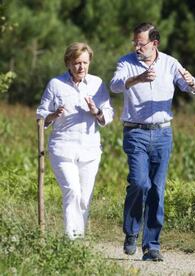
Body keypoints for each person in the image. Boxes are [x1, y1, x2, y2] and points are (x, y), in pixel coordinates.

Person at [110, 22, 195, 261]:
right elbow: (115, 85)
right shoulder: (126, 62)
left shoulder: (170, 63)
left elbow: (194, 87)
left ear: (155, 43)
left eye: (141, 44)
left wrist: (192, 83)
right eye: (135, 43)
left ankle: (151, 245)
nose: (137, 47)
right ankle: (131, 231)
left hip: (162, 134)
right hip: (136, 133)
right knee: (140, 183)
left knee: (157, 190)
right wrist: (137, 79)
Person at [36, 42, 114, 240]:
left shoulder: (97, 84)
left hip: (90, 149)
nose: (81, 67)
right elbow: (41, 114)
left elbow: (108, 113)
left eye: (85, 63)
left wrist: (96, 111)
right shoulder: (56, 84)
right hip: (62, 148)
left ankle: (78, 239)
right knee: (72, 190)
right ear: (68, 63)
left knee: (84, 197)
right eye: (77, 63)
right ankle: (71, 240)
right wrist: (54, 114)